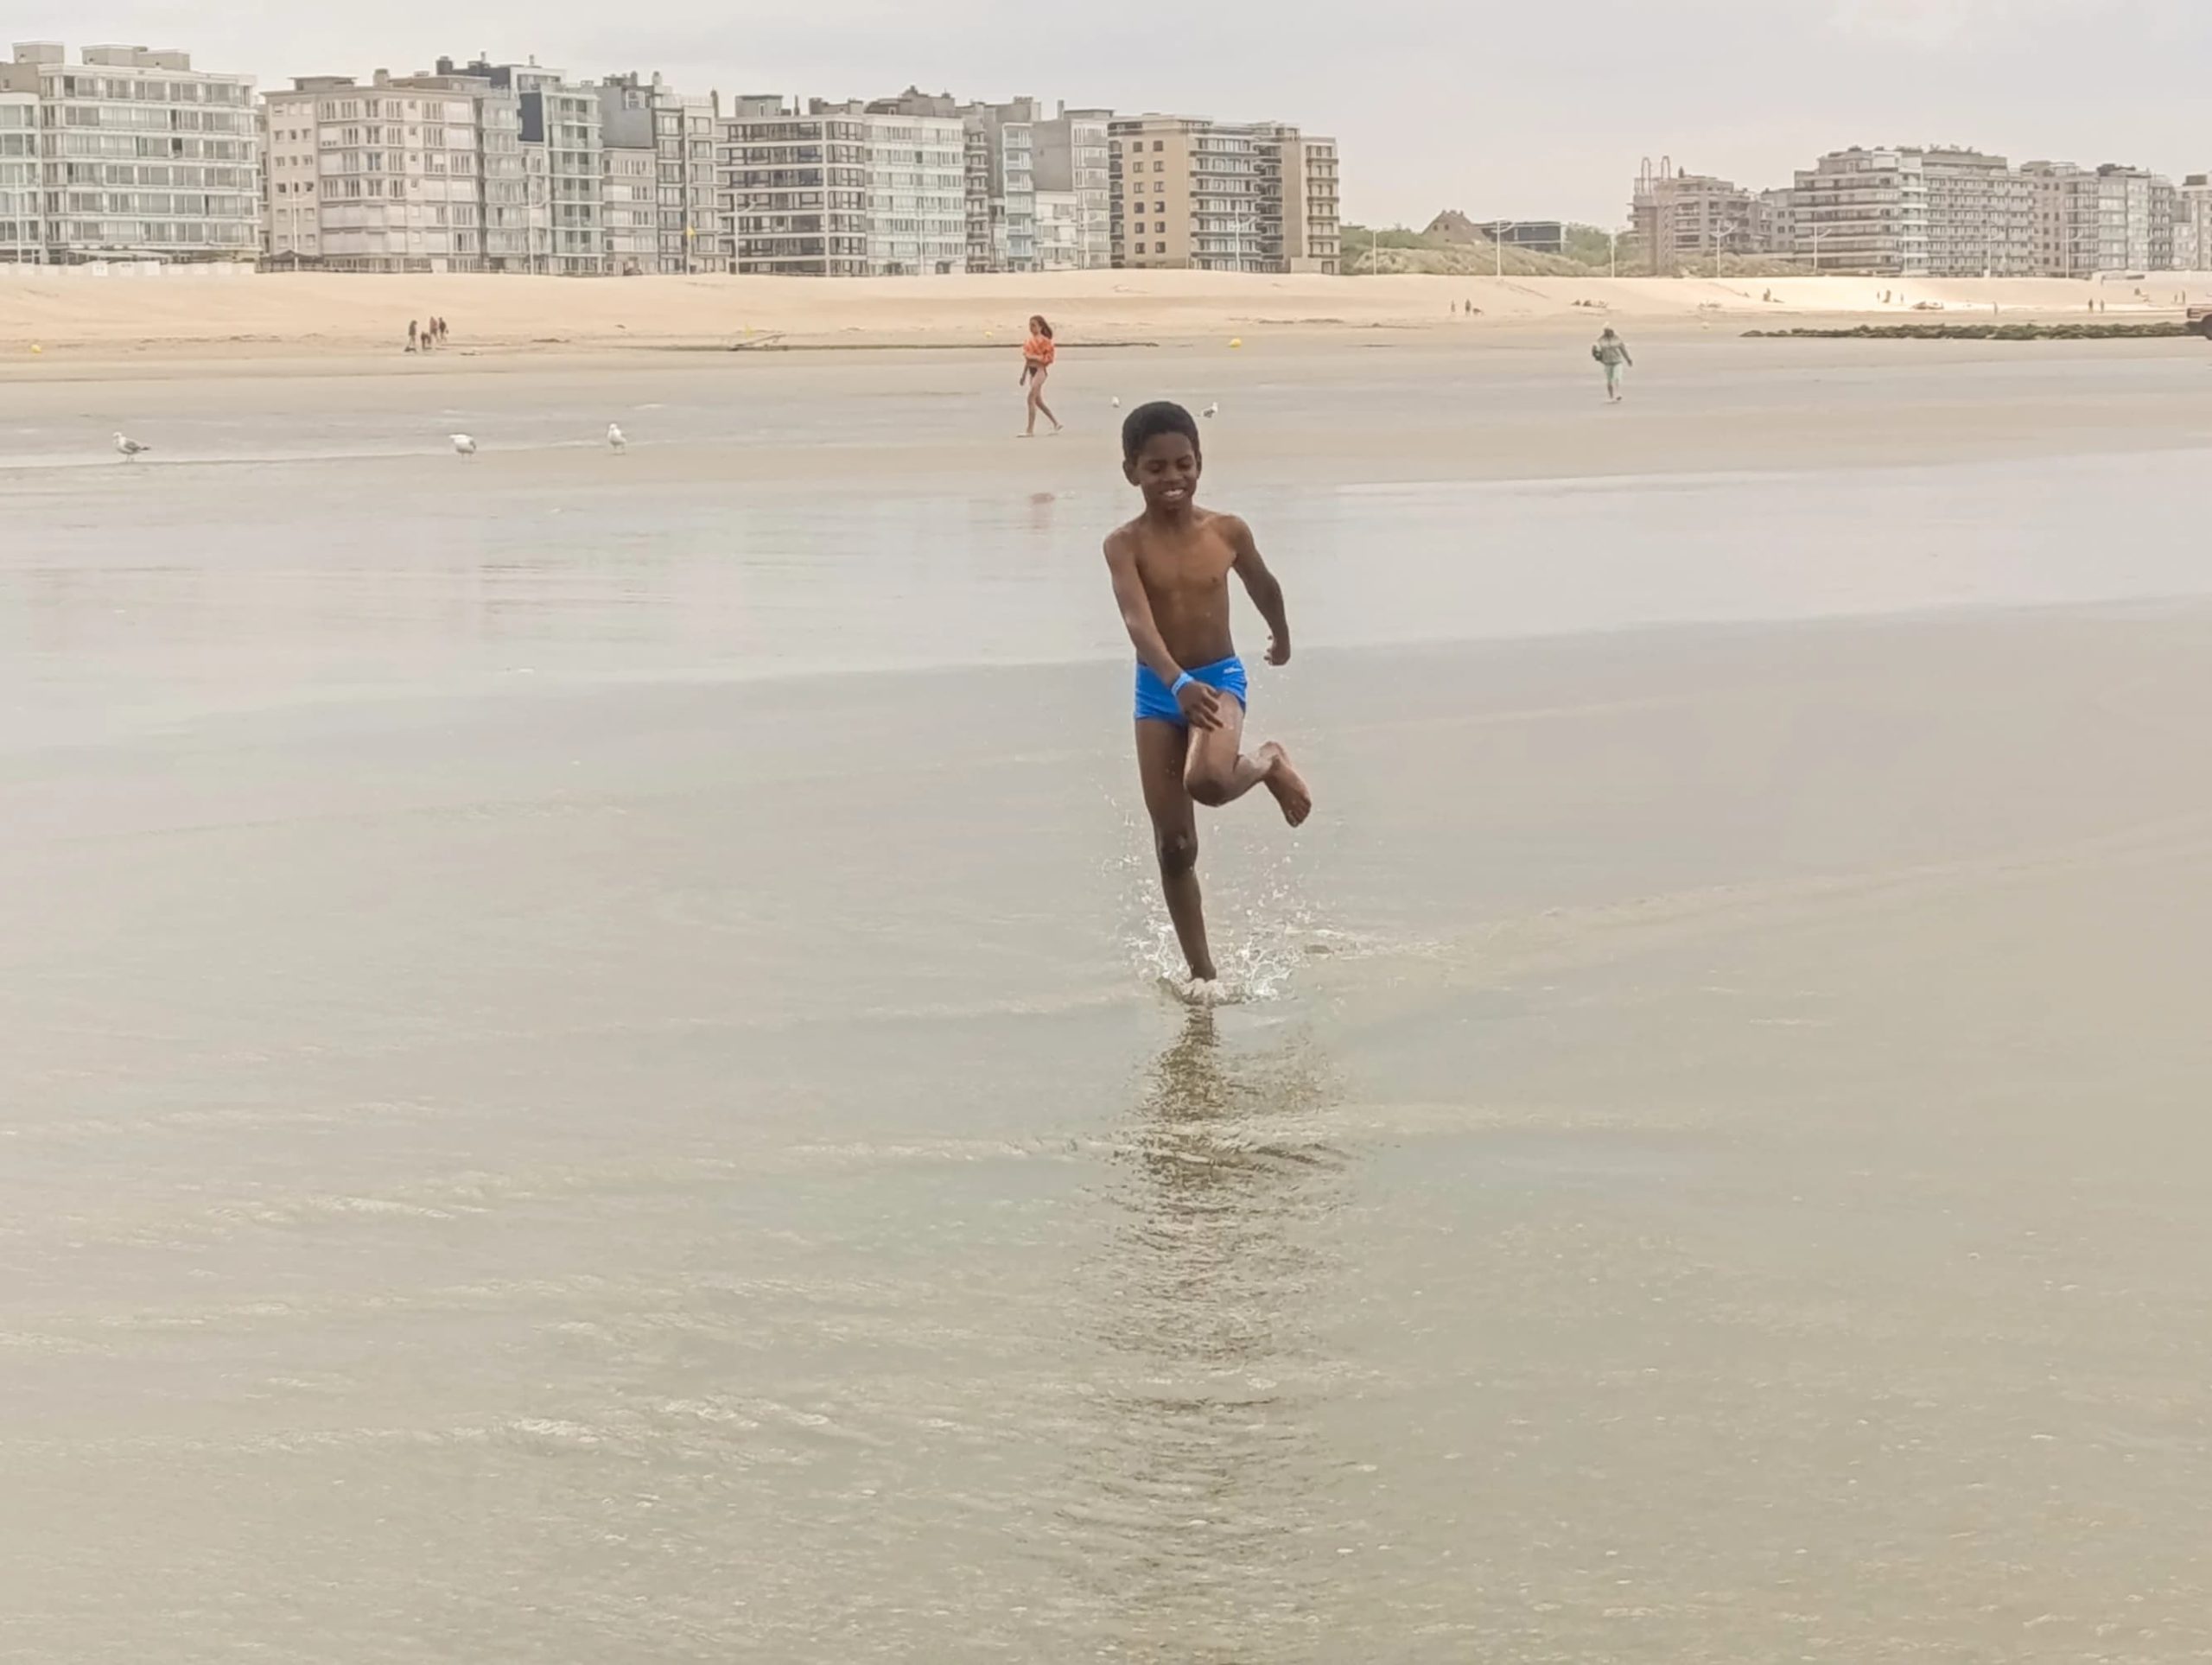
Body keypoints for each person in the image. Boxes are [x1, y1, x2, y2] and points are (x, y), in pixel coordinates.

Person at [1104, 402, 1313, 989]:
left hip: (1219, 679)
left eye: (1183, 465)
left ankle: (1268, 760)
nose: (1172, 480)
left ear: (1200, 464)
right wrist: (1175, 682)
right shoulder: (1123, 545)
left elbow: (1263, 583)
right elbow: (1137, 623)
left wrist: (1283, 635)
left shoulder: (1227, 531)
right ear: (1131, 472)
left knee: (1209, 783)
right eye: (1155, 469)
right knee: (1174, 845)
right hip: (1159, 689)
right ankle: (1204, 977)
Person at [1020, 315, 1061, 437]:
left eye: (1034, 325)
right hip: (1031, 371)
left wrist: (1034, 357)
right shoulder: (1029, 342)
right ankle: (1056, 422)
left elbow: (1048, 359)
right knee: (1038, 401)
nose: (1032, 328)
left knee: (1030, 398)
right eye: (1030, 326)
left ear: (1040, 326)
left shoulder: (1045, 342)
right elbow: (1027, 360)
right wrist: (1023, 375)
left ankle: (1030, 430)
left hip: (1040, 371)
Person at [1592, 326, 1632, 402]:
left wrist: (1628, 359)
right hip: (1607, 362)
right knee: (1609, 380)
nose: (1609, 332)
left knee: (1617, 377)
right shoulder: (1600, 340)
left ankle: (1618, 393)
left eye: (1610, 331)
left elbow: (1623, 350)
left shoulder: (1617, 339)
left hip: (1617, 361)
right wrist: (1597, 355)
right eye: (1606, 331)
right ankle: (1611, 396)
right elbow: (1596, 350)